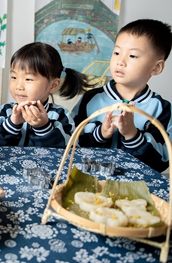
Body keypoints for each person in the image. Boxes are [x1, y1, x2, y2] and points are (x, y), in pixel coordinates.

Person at [71, 19, 172, 172]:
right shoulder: (91, 99)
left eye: (132, 56)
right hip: (90, 181)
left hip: (137, 187)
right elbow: (72, 142)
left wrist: (133, 134)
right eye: (117, 52)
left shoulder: (161, 109)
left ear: (156, 67)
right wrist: (100, 133)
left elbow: (162, 161)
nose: (120, 61)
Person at [0, 42, 93, 147]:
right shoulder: (5, 111)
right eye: (14, 77)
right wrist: (12, 123)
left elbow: (69, 151)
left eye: (28, 79)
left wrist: (43, 127)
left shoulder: (60, 115)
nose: (19, 86)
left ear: (53, 85)